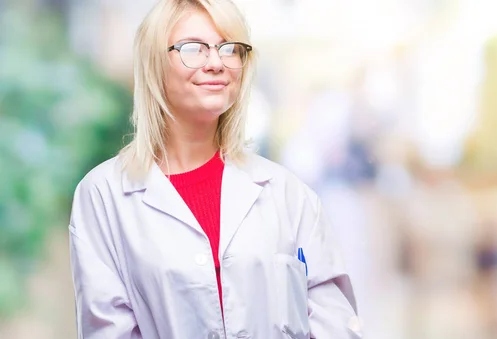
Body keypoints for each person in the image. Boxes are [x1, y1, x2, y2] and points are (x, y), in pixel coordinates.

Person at [67, 0, 361, 338]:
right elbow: (108, 330)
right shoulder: (104, 196)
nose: (216, 63)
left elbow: (335, 323)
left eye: (229, 49)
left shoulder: (288, 195)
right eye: (194, 48)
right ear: (154, 65)